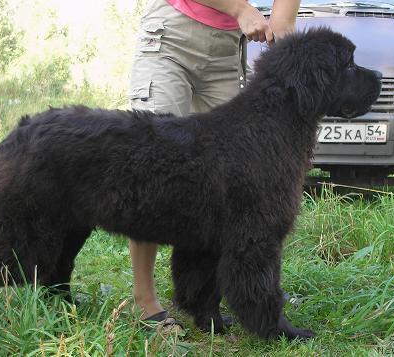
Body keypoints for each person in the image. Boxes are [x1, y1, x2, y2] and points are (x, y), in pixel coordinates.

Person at [128, 0, 301, 329]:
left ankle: (215, 297)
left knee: (238, 181)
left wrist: (282, 42)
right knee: (151, 168)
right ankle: (144, 301)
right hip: (172, 34)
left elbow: (283, 20)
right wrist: (238, 8)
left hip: (228, 48)